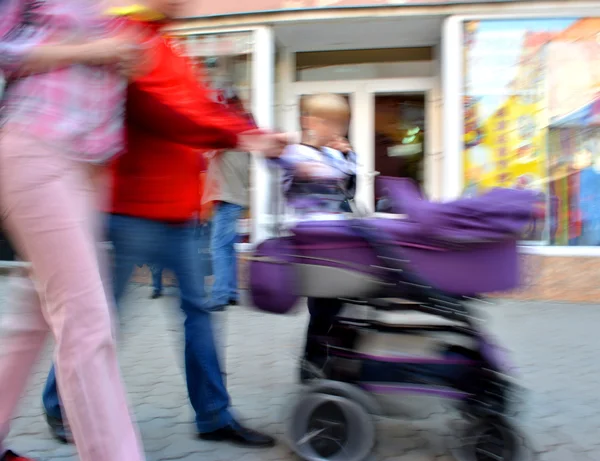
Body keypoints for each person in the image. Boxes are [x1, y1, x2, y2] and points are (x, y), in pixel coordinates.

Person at [41, 0, 287, 448]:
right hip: (128, 209)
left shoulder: (171, 48)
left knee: (199, 314)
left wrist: (247, 129)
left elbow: (201, 108)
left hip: (180, 210)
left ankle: (214, 416)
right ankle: (60, 403)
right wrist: (241, 136)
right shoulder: (124, 35)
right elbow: (157, 108)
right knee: (101, 321)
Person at [0, 1, 146, 461]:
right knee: (86, 320)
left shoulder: (104, 12)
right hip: (33, 145)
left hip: (84, 168)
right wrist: (97, 47)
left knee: (34, 313)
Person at [273, 93, 357, 383]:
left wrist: (346, 155)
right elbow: (282, 161)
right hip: (310, 245)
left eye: (338, 123)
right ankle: (311, 366)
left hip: (335, 243)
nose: (333, 129)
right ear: (308, 121)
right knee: (322, 306)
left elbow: (348, 183)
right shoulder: (296, 153)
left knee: (333, 305)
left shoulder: (333, 155)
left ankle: (326, 360)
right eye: (326, 122)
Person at [203, 144, 251, 309]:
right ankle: (231, 292)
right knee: (229, 249)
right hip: (239, 201)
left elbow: (206, 150)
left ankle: (220, 296)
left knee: (219, 248)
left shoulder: (222, 143)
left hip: (227, 201)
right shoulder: (244, 147)